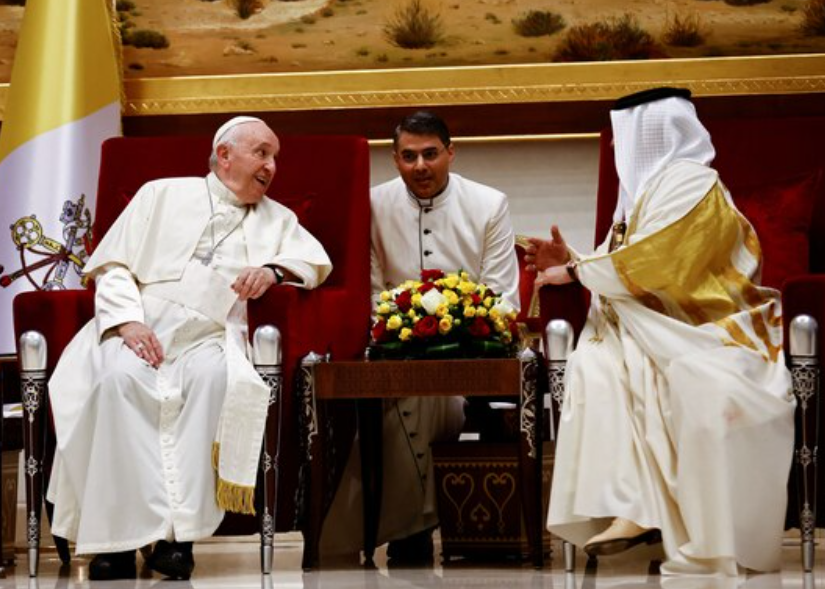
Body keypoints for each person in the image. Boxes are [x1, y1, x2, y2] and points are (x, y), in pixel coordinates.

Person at [46, 117, 332, 580]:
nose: (272, 166)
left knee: (214, 380)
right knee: (117, 383)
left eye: (274, 157)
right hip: (141, 327)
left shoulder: (277, 219)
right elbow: (113, 265)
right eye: (262, 153)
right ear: (225, 155)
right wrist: (127, 322)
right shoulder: (160, 194)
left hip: (210, 334)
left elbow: (314, 261)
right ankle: (117, 544)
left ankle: (178, 539)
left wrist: (274, 271)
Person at [527, 88, 795, 576]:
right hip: (654, 321)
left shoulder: (692, 185)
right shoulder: (641, 195)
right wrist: (571, 265)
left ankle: (670, 523)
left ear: (649, 132)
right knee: (602, 365)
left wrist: (579, 270)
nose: (614, 149)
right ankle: (634, 505)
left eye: (621, 137)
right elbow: (622, 260)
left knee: (692, 382)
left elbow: (653, 263)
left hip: (712, 324)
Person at [321, 110, 520, 563]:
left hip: (471, 351)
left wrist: (458, 326)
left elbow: (501, 293)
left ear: (451, 153)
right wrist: (401, 326)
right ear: (394, 160)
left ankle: (406, 527)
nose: (420, 166)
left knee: (422, 391)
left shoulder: (489, 203)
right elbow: (368, 290)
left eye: (430, 154)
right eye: (408, 156)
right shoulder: (371, 203)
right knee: (411, 389)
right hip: (391, 349)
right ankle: (415, 522)